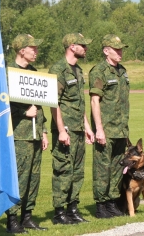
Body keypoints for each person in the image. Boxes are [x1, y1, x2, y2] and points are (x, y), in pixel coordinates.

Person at [49, 33, 95, 224]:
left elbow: (79, 102)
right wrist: (61, 130)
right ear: (72, 46)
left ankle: (72, 208)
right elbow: (54, 103)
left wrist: (87, 127)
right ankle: (59, 212)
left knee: (77, 171)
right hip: (65, 129)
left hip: (77, 128)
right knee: (63, 170)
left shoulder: (77, 70)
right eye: (82, 45)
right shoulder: (59, 69)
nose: (86, 48)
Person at [5, 34, 49, 233]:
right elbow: (2, 105)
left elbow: (41, 104)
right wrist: (23, 112)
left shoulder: (34, 72)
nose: (36, 52)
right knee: (19, 177)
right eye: (33, 48)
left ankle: (27, 215)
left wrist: (44, 131)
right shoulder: (7, 74)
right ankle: (12, 218)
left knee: (34, 177)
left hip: (35, 133)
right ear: (22, 50)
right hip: (19, 134)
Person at [89, 34, 129, 218]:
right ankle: (101, 205)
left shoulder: (122, 71)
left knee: (117, 167)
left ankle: (112, 202)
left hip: (120, 129)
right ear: (106, 51)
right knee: (102, 169)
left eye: (121, 48)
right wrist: (99, 129)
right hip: (105, 129)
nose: (120, 52)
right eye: (116, 49)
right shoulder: (99, 71)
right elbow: (95, 101)